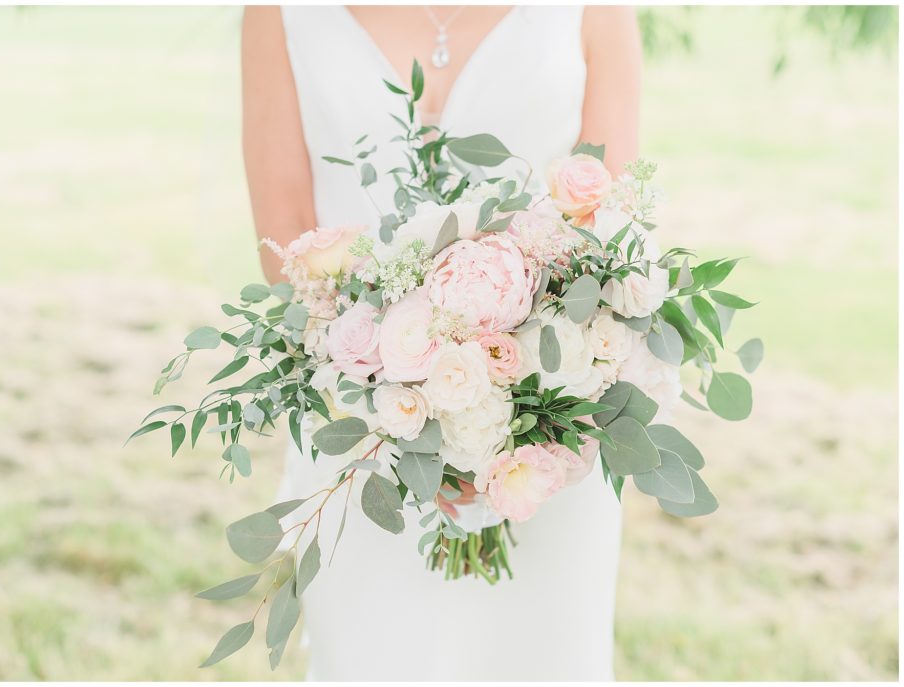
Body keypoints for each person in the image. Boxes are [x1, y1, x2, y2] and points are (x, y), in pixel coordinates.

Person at [241, 6, 641, 680]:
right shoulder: (280, 13)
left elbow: (615, 230)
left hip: (551, 439)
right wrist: (406, 397)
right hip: (360, 431)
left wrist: (507, 418)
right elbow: (284, 244)